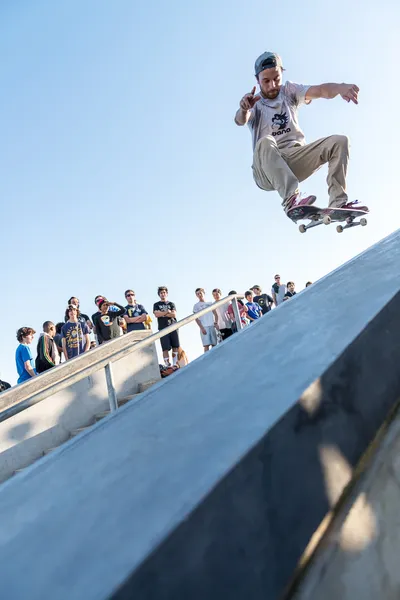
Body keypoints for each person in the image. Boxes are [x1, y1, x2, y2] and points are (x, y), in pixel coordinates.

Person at [234, 51, 368, 218]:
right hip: (266, 169)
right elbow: (240, 120)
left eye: (276, 79)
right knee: (265, 141)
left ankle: (337, 203)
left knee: (340, 141)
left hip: (295, 160)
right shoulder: (254, 102)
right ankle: (291, 200)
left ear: (282, 73)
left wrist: (340, 87)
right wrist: (244, 108)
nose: (272, 86)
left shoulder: (289, 91)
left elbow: (320, 90)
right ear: (257, 80)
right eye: (266, 81)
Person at [153, 286, 180, 367]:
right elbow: (156, 314)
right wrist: (167, 312)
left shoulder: (171, 304)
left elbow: (174, 314)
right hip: (163, 327)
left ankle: (175, 363)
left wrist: (162, 313)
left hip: (173, 326)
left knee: (175, 346)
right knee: (165, 348)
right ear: (159, 294)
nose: (163, 294)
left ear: (167, 293)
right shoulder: (156, 304)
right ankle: (167, 364)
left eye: (164, 292)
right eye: (161, 293)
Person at [193, 288, 219, 352]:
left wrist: (215, 323)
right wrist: (201, 328)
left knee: (214, 344)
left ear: (203, 293)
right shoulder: (196, 306)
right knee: (206, 345)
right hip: (204, 327)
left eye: (200, 293)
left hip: (212, 326)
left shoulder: (210, 303)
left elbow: (215, 314)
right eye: (197, 294)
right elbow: (196, 318)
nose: (199, 295)